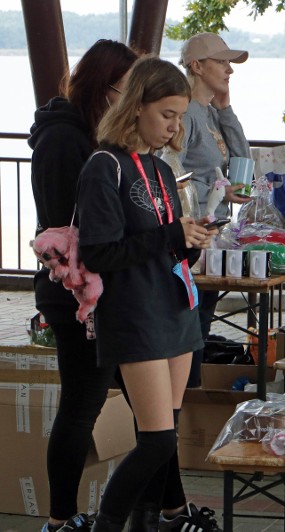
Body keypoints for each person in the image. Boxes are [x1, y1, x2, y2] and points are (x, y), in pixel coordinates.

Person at [74, 56, 215, 531]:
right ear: (136, 106)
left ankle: (147, 522)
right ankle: (108, 525)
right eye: (167, 114)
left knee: (164, 437)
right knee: (155, 441)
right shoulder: (103, 166)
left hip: (174, 309)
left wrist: (190, 242)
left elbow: (166, 247)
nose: (175, 126)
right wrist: (173, 236)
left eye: (179, 116)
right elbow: (99, 253)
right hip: (134, 315)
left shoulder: (158, 168)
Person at [28, 39, 138, 532]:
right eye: (126, 89)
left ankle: (163, 510)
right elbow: (62, 227)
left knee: (138, 407)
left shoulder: (91, 135)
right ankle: (60, 519)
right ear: (104, 85)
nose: (129, 100)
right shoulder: (63, 139)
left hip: (102, 287)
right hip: (71, 291)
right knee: (81, 404)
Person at [178, 32, 252, 388]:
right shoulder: (185, 114)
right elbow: (172, 174)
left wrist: (226, 108)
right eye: (221, 62)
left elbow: (243, 163)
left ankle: (189, 402)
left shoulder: (208, 111)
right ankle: (185, 402)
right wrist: (214, 191)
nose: (229, 71)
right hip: (195, 238)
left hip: (214, 234)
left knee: (203, 322)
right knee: (192, 326)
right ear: (197, 66)